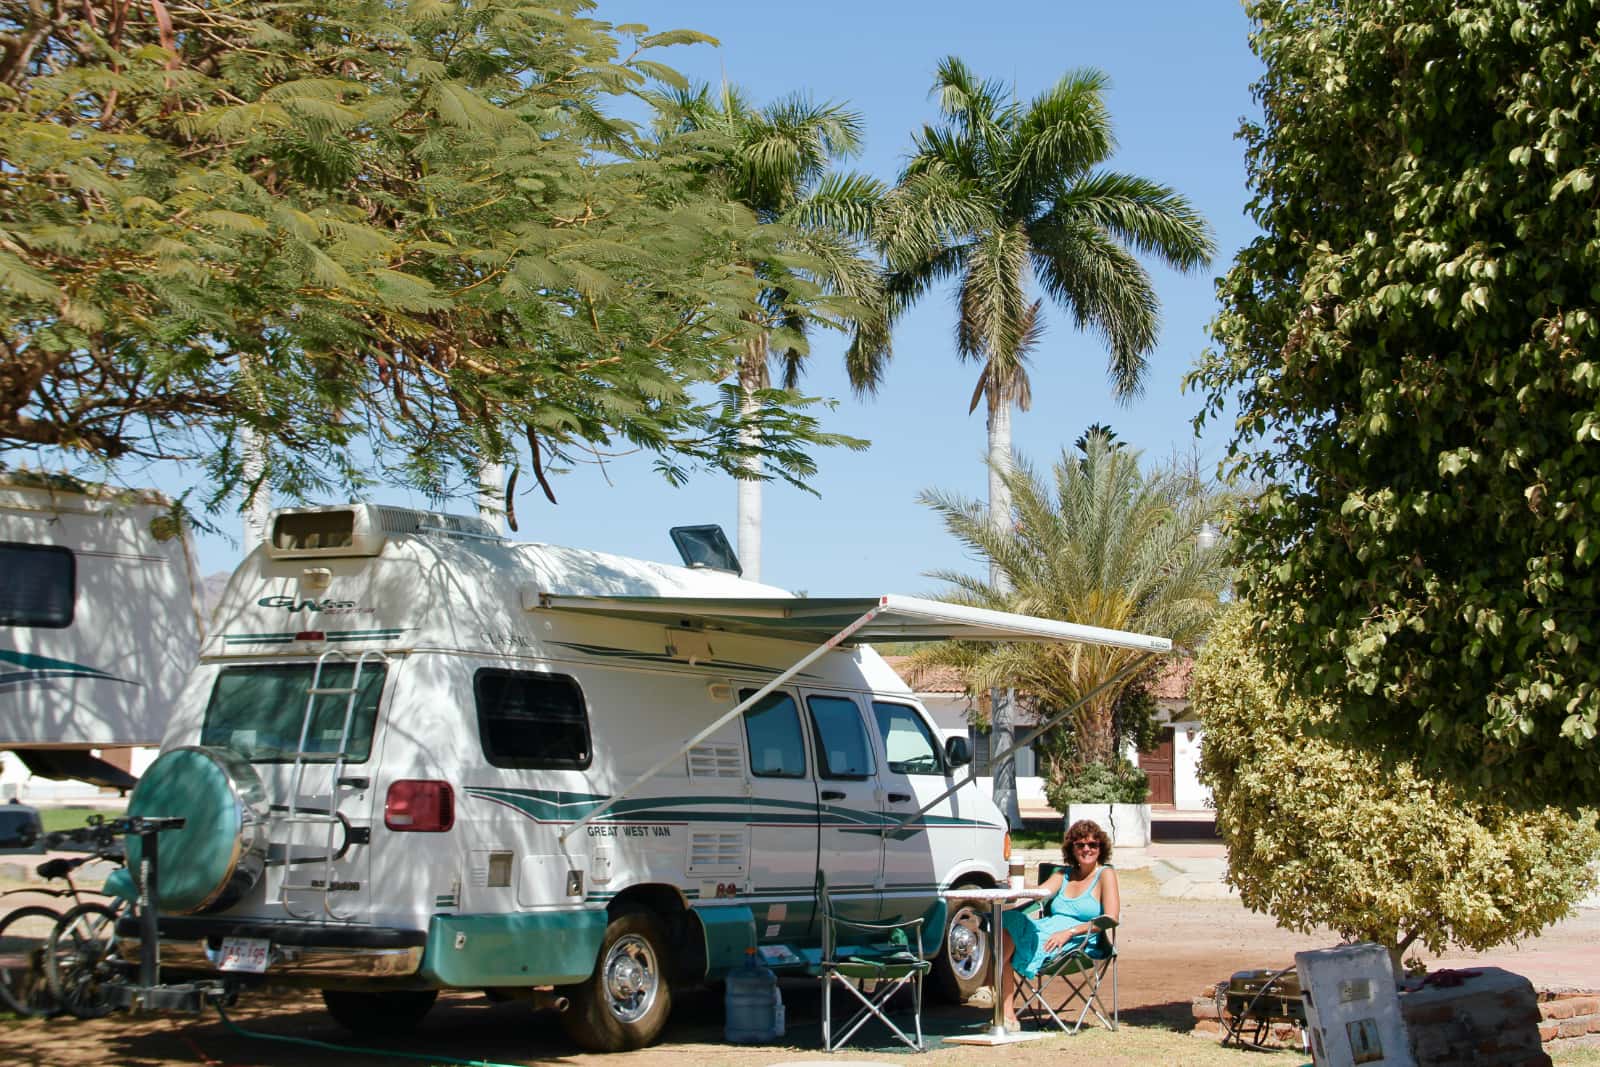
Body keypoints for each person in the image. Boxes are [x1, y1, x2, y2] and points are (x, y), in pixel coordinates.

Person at [999, 818, 1121, 1031]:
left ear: (1101, 848)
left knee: (1008, 944)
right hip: (1046, 930)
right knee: (1006, 925)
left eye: (1093, 844)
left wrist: (1069, 932)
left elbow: (1111, 918)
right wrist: (1019, 884)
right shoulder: (1062, 875)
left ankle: (996, 1000)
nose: (1087, 849)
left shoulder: (1105, 874)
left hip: (1080, 941)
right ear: (1071, 848)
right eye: (1080, 845)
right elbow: (1040, 893)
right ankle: (1006, 1015)